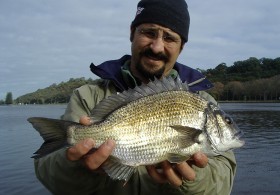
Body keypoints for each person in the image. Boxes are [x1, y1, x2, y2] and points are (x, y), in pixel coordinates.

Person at [34, 0, 237, 194]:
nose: (157, 47)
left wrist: (191, 181)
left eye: (169, 38)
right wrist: (79, 166)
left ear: (181, 46)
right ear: (132, 33)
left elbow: (222, 182)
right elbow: (49, 173)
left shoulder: (204, 101)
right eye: (149, 33)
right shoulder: (87, 96)